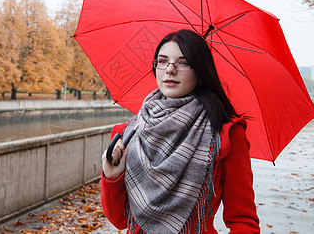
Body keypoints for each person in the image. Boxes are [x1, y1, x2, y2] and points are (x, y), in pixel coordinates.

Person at [101, 29, 260, 233]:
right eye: (162, 61)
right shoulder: (128, 131)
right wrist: (111, 176)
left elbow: (243, 222)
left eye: (183, 63)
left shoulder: (225, 134)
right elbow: (120, 220)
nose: (170, 70)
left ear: (201, 73)